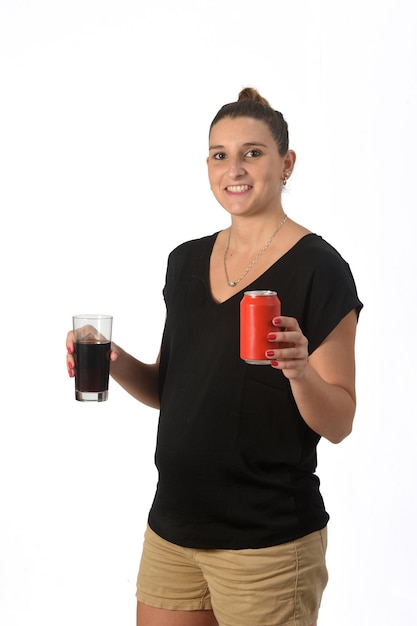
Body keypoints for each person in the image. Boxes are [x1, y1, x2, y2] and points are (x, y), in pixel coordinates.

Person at [66, 87, 363, 626]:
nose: (235, 168)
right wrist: (113, 358)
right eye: (219, 154)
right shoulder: (184, 261)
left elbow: (340, 421)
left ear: (286, 163)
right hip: (173, 529)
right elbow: (171, 388)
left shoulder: (320, 268)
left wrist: (298, 371)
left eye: (253, 152)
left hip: (266, 542)